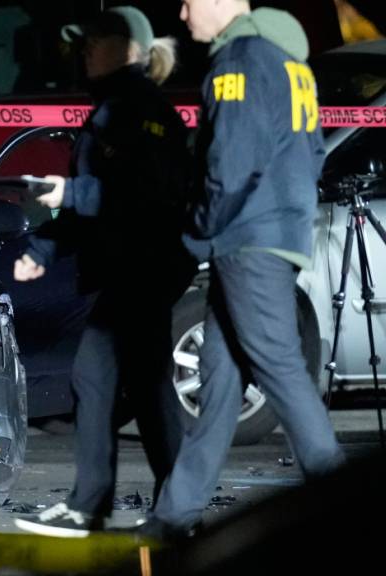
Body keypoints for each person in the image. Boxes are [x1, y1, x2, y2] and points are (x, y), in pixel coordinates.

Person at [142, 0, 347, 540]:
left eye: (189, 3)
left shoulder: (239, 62)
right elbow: (313, 151)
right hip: (274, 232)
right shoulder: (289, 62)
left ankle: (347, 507)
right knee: (220, 381)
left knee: (279, 369)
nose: (183, 16)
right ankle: (174, 515)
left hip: (247, 239)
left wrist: (197, 230)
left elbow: (229, 164)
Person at [12, 6, 193, 537]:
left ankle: (93, 505)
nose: (85, 49)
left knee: (100, 376)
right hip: (129, 268)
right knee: (145, 385)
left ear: (130, 49)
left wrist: (71, 192)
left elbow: (143, 196)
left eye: (96, 40)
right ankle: (169, 509)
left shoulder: (139, 110)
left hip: (146, 265)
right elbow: (92, 208)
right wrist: (43, 249)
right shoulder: (113, 108)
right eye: (84, 40)